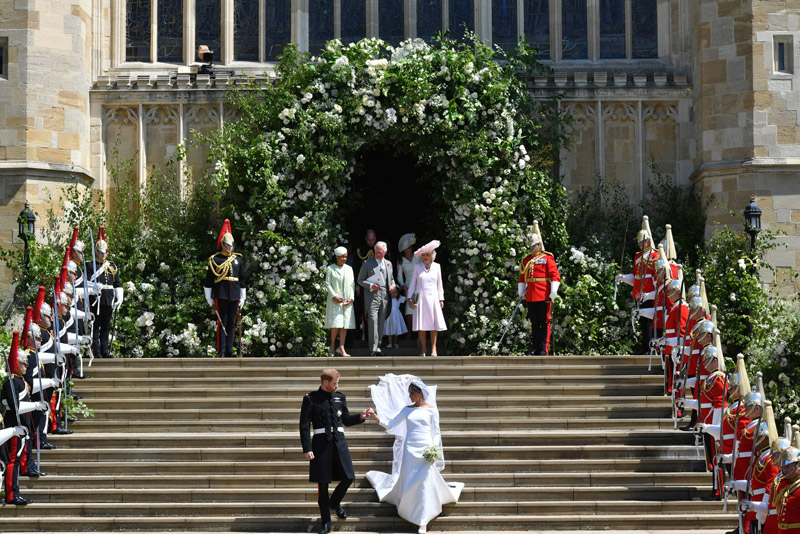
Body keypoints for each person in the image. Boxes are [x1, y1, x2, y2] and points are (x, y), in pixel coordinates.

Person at [366, 374, 463, 534]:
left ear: (420, 393)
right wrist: (376, 417)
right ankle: (410, 508)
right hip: (410, 449)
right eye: (409, 393)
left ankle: (423, 519)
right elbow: (390, 425)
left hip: (426, 449)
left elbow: (436, 432)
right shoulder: (407, 410)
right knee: (411, 480)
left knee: (424, 483)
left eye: (412, 393)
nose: (410, 396)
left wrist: (434, 449)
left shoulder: (431, 410)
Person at [299, 368, 372, 534]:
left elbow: (346, 420)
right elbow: (304, 426)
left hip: (339, 443)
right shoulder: (311, 399)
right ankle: (326, 522)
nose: (337, 386)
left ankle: (334, 503)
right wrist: (307, 448)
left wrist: (361, 416)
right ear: (325, 382)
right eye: (335, 383)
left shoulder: (340, 397)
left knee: (349, 476)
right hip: (321, 445)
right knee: (323, 483)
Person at [2, 332, 49, 505]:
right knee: (13, 461)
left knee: (16, 460)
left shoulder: (20, 381)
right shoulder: (12, 382)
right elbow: (16, 407)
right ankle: (12, 495)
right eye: (23, 363)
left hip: (22, 426)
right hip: (14, 426)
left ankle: (16, 493)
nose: (26, 366)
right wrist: (36, 406)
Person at [616, 215, 659, 354]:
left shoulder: (655, 255)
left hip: (651, 292)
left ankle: (652, 346)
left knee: (650, 319)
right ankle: (646, 344)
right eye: (639, 242)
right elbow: (635, 277)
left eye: (643, 242)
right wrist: (623, 278)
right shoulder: (637, 257)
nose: (640, 245)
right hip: (639, 293)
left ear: (648, 241)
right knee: (643, 319)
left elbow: (657, 275)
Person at [203, 219, 246, 358]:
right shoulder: (215, 260)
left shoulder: (238, 259)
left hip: (234, 295)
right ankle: (221, 351)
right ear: (222, 244)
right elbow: (209, 280)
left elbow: (242, 280)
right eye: (227, 244)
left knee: (231, 324)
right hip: (221, 294)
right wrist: (208, 297)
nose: (230, 247)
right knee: (222, 323)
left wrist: (243, 297)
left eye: (231, 244)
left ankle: (230, 350)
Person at [517, 222, 560, 356]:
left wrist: (553, 291)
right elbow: (522, 277)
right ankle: (535, 348)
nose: (531, 247)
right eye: (530, 245)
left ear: (539, 245)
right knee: (534, 323)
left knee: (544, 322)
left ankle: (543, 349)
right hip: (530, 295)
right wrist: (521, 291)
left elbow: (554, 276)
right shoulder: (526, 260)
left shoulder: (547, 258)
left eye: (533, 245)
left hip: (543, 294)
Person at [88, 227, 123, 359]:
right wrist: (94, 286)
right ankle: (97, 351)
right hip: (97, 299)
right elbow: (86, 282)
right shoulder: (90, 265)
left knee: (106, 326)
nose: (103, 254)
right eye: (101, 252)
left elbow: (117, 283)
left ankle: (105, 350)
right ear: (96, 252)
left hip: (109, 298)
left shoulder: (112, 265)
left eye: (105, 252)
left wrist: (119, 297)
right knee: (96, 325)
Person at [407, 240, 446, 357]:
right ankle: (423, 349)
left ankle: (434, 349)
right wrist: (409, 298)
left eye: (427, 255)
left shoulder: (437, 267)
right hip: (420, 299)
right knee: (421, 325)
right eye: (423, 255)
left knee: (434, 325)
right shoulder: (417, 267)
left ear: (432, 255)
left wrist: (441, 299)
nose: (425, 257)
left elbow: (440, 285)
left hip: (433, 299)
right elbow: (412, 283)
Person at [357, 241, 395, 356]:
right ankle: (372, 348)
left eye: (380, 252)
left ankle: (378, 347)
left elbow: (391, 279)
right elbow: (360, 280)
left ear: (385, 252)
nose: (378, 254)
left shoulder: (389, 264)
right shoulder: (367, 263)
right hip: (372, 296)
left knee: (381, 322)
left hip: (385, 296)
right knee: (373, 321)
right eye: (376, 252)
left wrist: (393, 285)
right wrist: (370, 285)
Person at [324, 247, 355, 357]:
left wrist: (351, 298)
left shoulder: (349, 269)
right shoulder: (330, 269)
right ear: (337, 257)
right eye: (342, 257)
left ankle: (341, 347)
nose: (344, 259)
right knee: (335, 324)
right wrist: (334, 296)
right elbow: (327, 284)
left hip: (346, 300)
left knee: (344, 324)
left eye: (346, 257)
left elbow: (352, 284)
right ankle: (332, 345)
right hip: (335, 301)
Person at [350, 229, 378, 341]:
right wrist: (356, 284)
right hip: (362, 285)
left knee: (372, 311)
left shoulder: (378, 250)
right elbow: (356, 268)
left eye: (373, 240)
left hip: (375, 285)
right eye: (369, 240)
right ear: (366, 239)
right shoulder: (360, 250)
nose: (371, 242)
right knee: (360, 309)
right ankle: (357, 335)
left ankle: (370, 336)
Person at [396, 233, 420, 336]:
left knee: (419, 309)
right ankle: (409, 333)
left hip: (419, 285)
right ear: (403, 250)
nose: (408, 250)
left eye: (410, 248)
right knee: (409, 311)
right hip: (408, 287)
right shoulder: (401, 261)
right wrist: (402, 285)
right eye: (406, 249)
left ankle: (419, 335)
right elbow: (399, 277)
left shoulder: (418, 257)